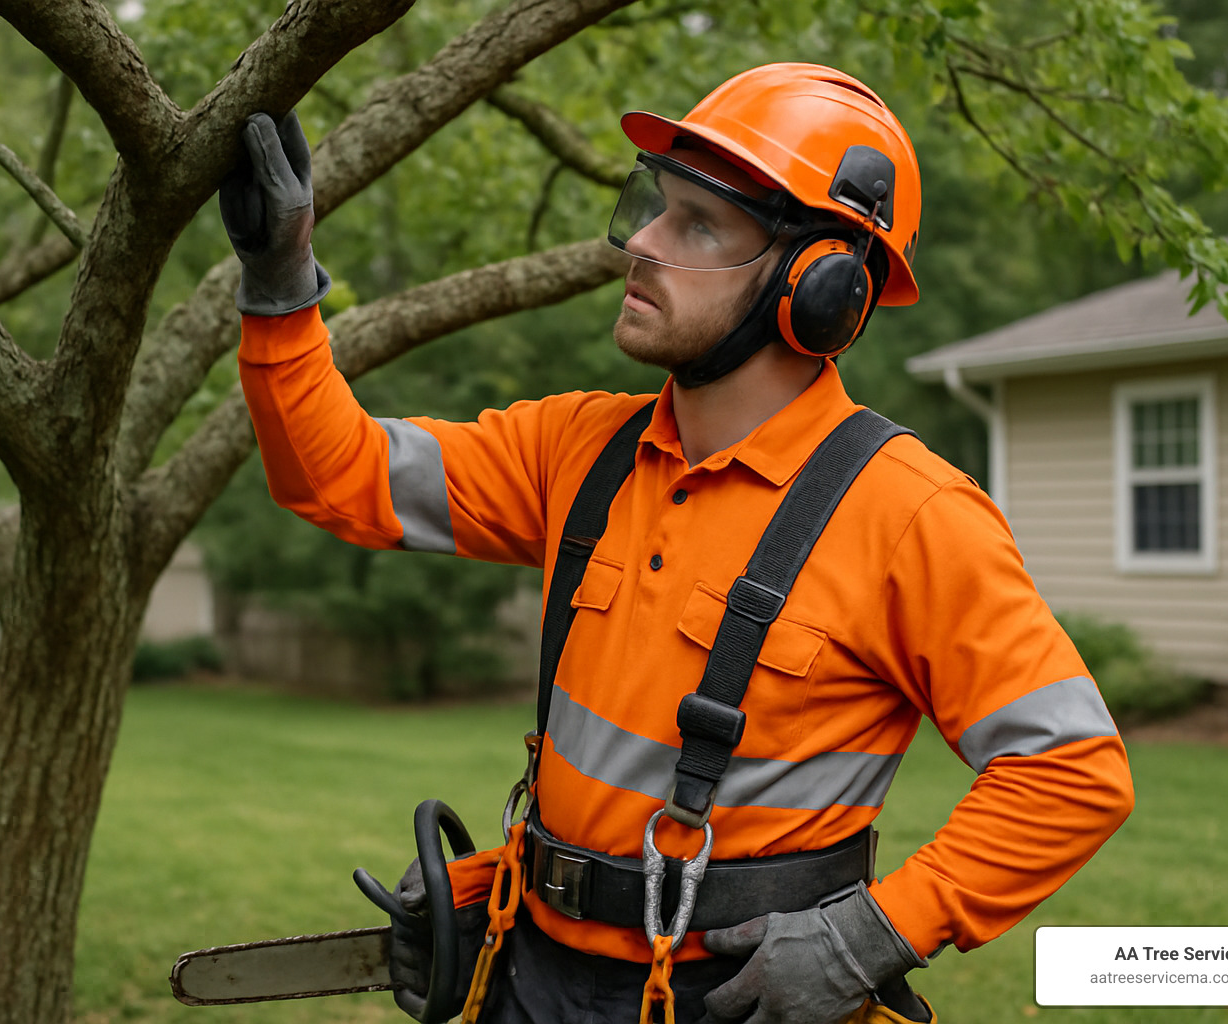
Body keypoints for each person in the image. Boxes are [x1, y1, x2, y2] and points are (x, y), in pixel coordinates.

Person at [219, 63, 1134, 1024]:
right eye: (654, 209)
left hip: (743, 998)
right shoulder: (580, 450)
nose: (643, 244)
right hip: (534, 972)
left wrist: (871, 936)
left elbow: (1071, 770)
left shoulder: (910, 515)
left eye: (698, 225)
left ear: (820, 288)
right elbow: (337, 477)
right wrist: (280, 284)